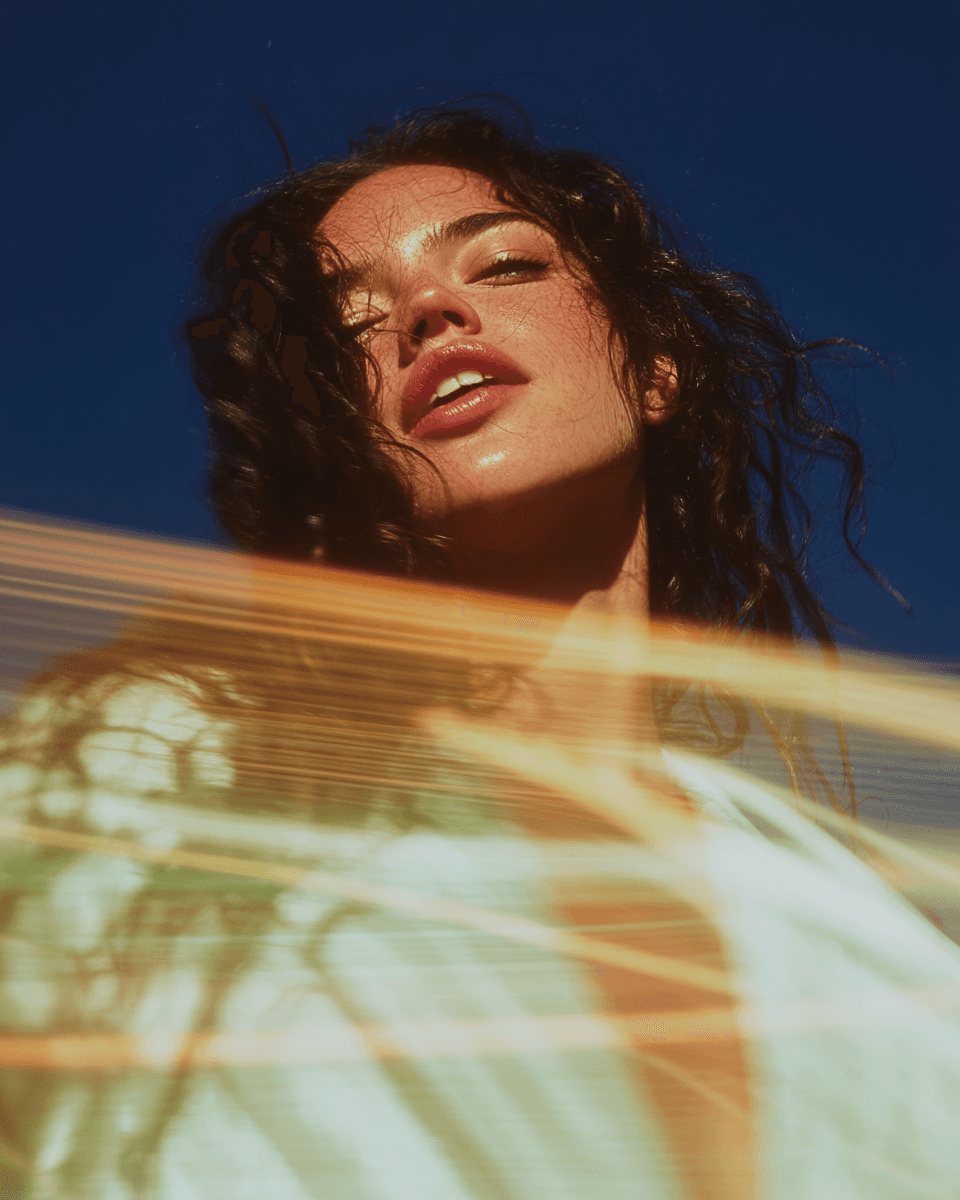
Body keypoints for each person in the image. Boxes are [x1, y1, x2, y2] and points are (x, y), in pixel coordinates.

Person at [0, 105, 958, 1200]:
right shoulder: (161, 774)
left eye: (502, 265)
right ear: (339, 439)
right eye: (355, 324)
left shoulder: (863, 935)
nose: (430, 313)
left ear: (654, 368)